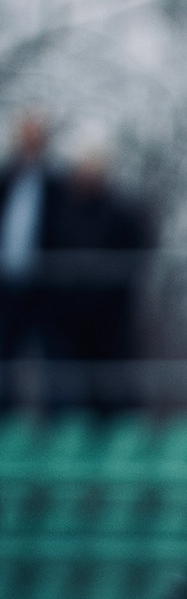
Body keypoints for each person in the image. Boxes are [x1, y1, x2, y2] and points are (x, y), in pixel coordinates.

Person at [47, 136, 153, 396]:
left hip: (111, 315)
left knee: (113, 387)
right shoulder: (60, 211)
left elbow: (138, 254)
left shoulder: (122, 212)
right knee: (68, 388)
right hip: (68, 314)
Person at [0, 113, 59, 369]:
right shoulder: (6, 178)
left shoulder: (56, 183)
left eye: (35, 136)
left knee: (51, 356)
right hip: (6, 283)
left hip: (45, 284)